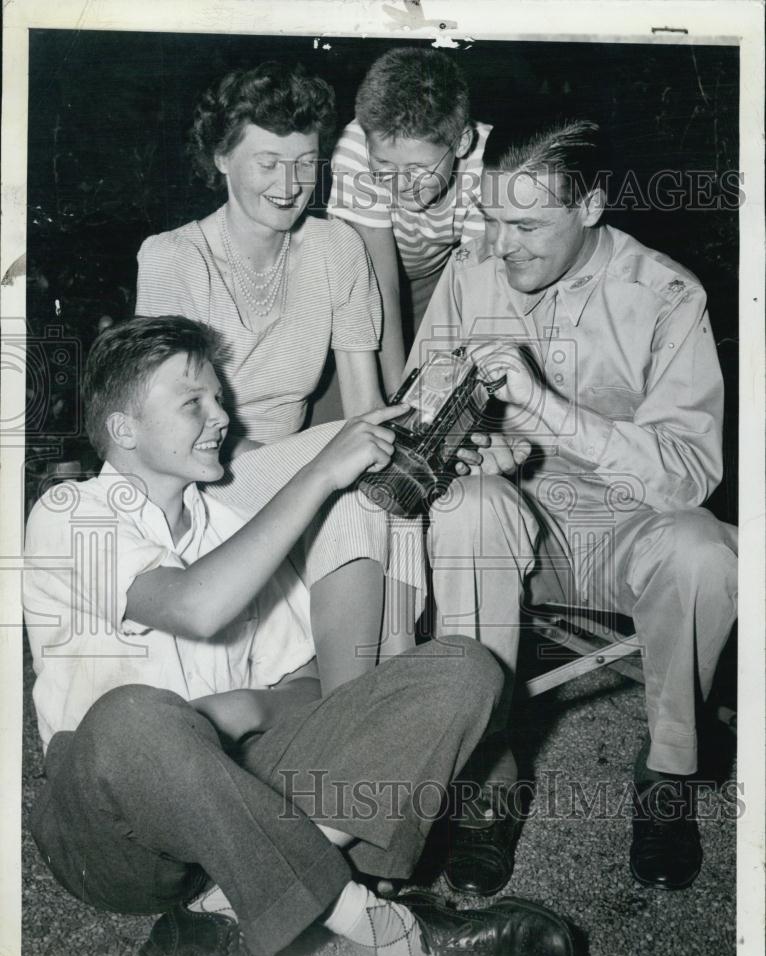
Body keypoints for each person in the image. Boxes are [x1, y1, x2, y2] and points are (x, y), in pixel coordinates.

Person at [23, 315, 576, 956]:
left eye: (221, 398)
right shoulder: (69, 514)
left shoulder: (225, 526)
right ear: (124, 430)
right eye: (193, 401)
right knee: (133, 715)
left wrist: (245, 711)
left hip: (237, 796)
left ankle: (230, 903)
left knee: (465, 669)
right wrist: (320, 472)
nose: (221, 415)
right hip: (112, 835)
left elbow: (308, 686)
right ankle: (372, 917)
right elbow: (194, 607)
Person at [409, 120, 738, 895]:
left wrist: (546, 409)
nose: (501, 243)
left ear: (590, 206)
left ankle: (667, 771)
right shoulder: (471, 273)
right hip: (515, 522)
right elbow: (422, 393)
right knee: (468, 509)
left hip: (629, 530)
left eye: (525, 225)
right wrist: (456, 435)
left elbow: (690, 475)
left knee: (710, 552)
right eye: (491, 218)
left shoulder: (665, 295)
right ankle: (490, 774)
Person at [135, 62, 423, 692]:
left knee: (378, 468)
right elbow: (166, 425)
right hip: (206, 475)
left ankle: (389, 694)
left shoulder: (337, 248)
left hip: (296, 460)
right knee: (353, 463)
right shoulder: (172, 257)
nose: (290, 184)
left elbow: (365, 402)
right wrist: (305, 457)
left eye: (305, 162)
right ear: (220, 158)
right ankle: (367, 706)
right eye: (267, 163)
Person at [328, 46, 491, 392]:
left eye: (419, 168)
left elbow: (475, 293)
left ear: (461, 142)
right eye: (384, 164)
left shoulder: (489, 163)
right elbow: (379, 287)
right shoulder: (355, 148)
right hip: (364, 281)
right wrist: (397, 394)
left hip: (440, 279)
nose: (401, 184)